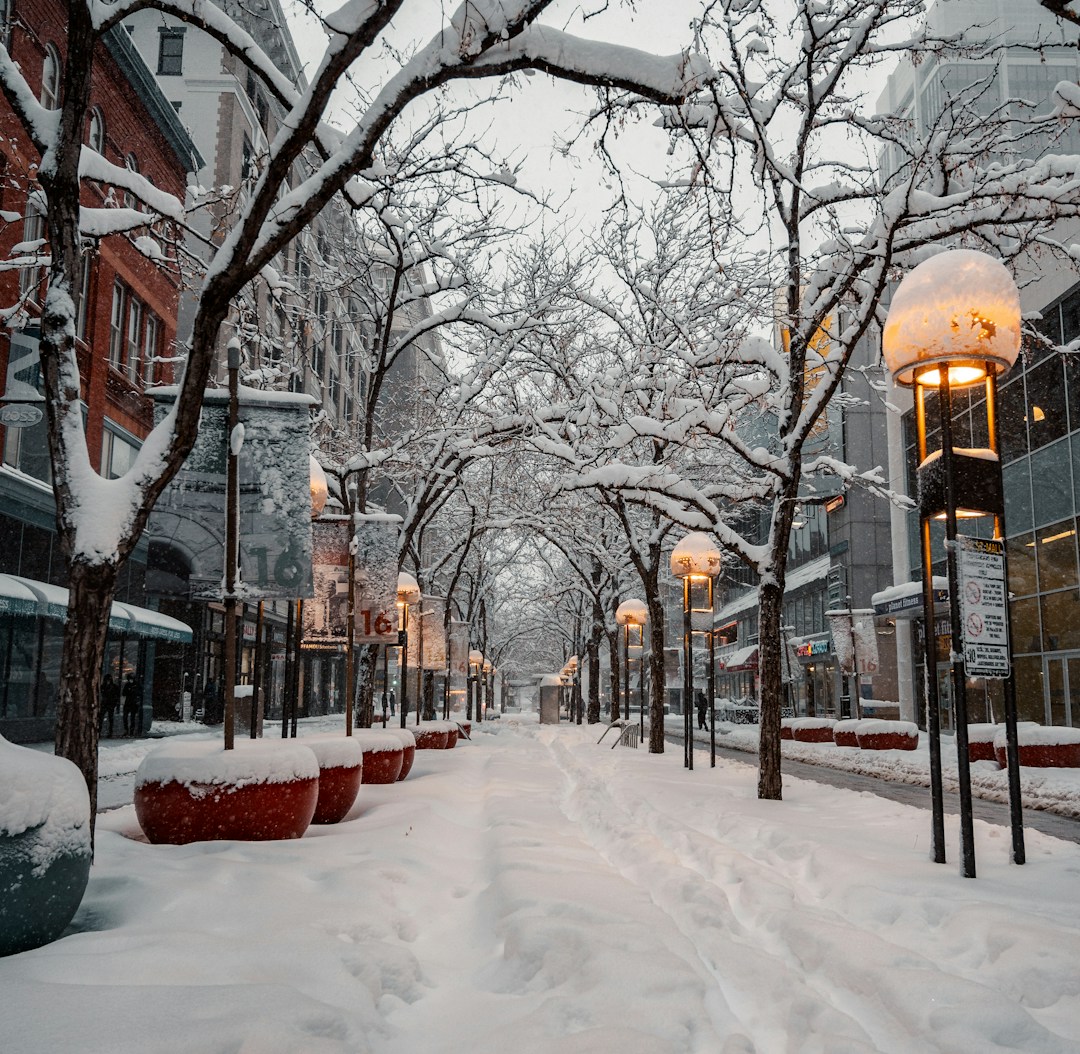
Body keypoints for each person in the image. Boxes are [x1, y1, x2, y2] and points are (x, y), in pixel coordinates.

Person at [100, 673, 120, 738]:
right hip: (106, 703)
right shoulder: (104, 686)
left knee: (109, 718)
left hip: (109, 703)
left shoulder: (111, 687)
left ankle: (109, 732)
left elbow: (117, 696)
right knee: (103, 718)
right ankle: (106, 731)